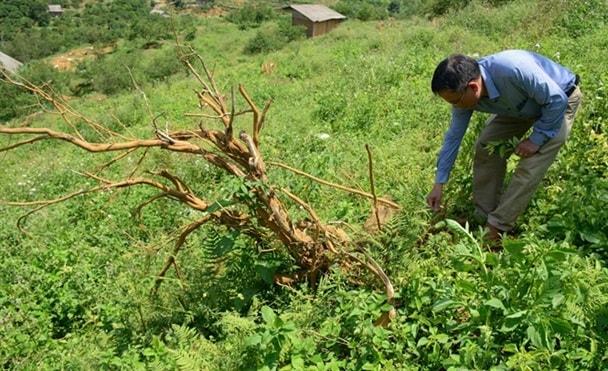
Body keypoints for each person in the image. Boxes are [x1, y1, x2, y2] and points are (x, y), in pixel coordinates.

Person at [426, 50, 582, 241]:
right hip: (519, 107)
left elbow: (556, 99)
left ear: (473, 87)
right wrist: (439, 183)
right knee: (486, 147)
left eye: (456, 102)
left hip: (558, 102)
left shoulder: (513, 70)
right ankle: (483, 214)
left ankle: (497, 226)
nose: (455, 107)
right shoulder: (462, 96)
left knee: (531, 164)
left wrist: (536, 139)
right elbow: (453, 137)